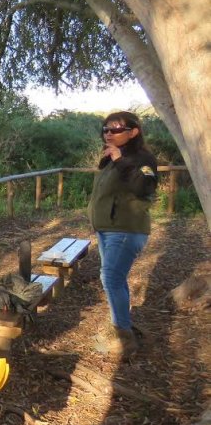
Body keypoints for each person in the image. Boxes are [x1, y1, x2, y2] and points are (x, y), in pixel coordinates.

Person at [87, 112, 158, 358]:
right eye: (105, 129)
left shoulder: (142, 158)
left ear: (133, 132)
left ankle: (124, 341)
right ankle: (122, 325)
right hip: (108, 229)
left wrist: (121, 162)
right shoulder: (112, 158)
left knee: (110, 278)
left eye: (115, 129)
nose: (108, 134)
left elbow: (144, 187)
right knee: (115, 278)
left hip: (126, 230)